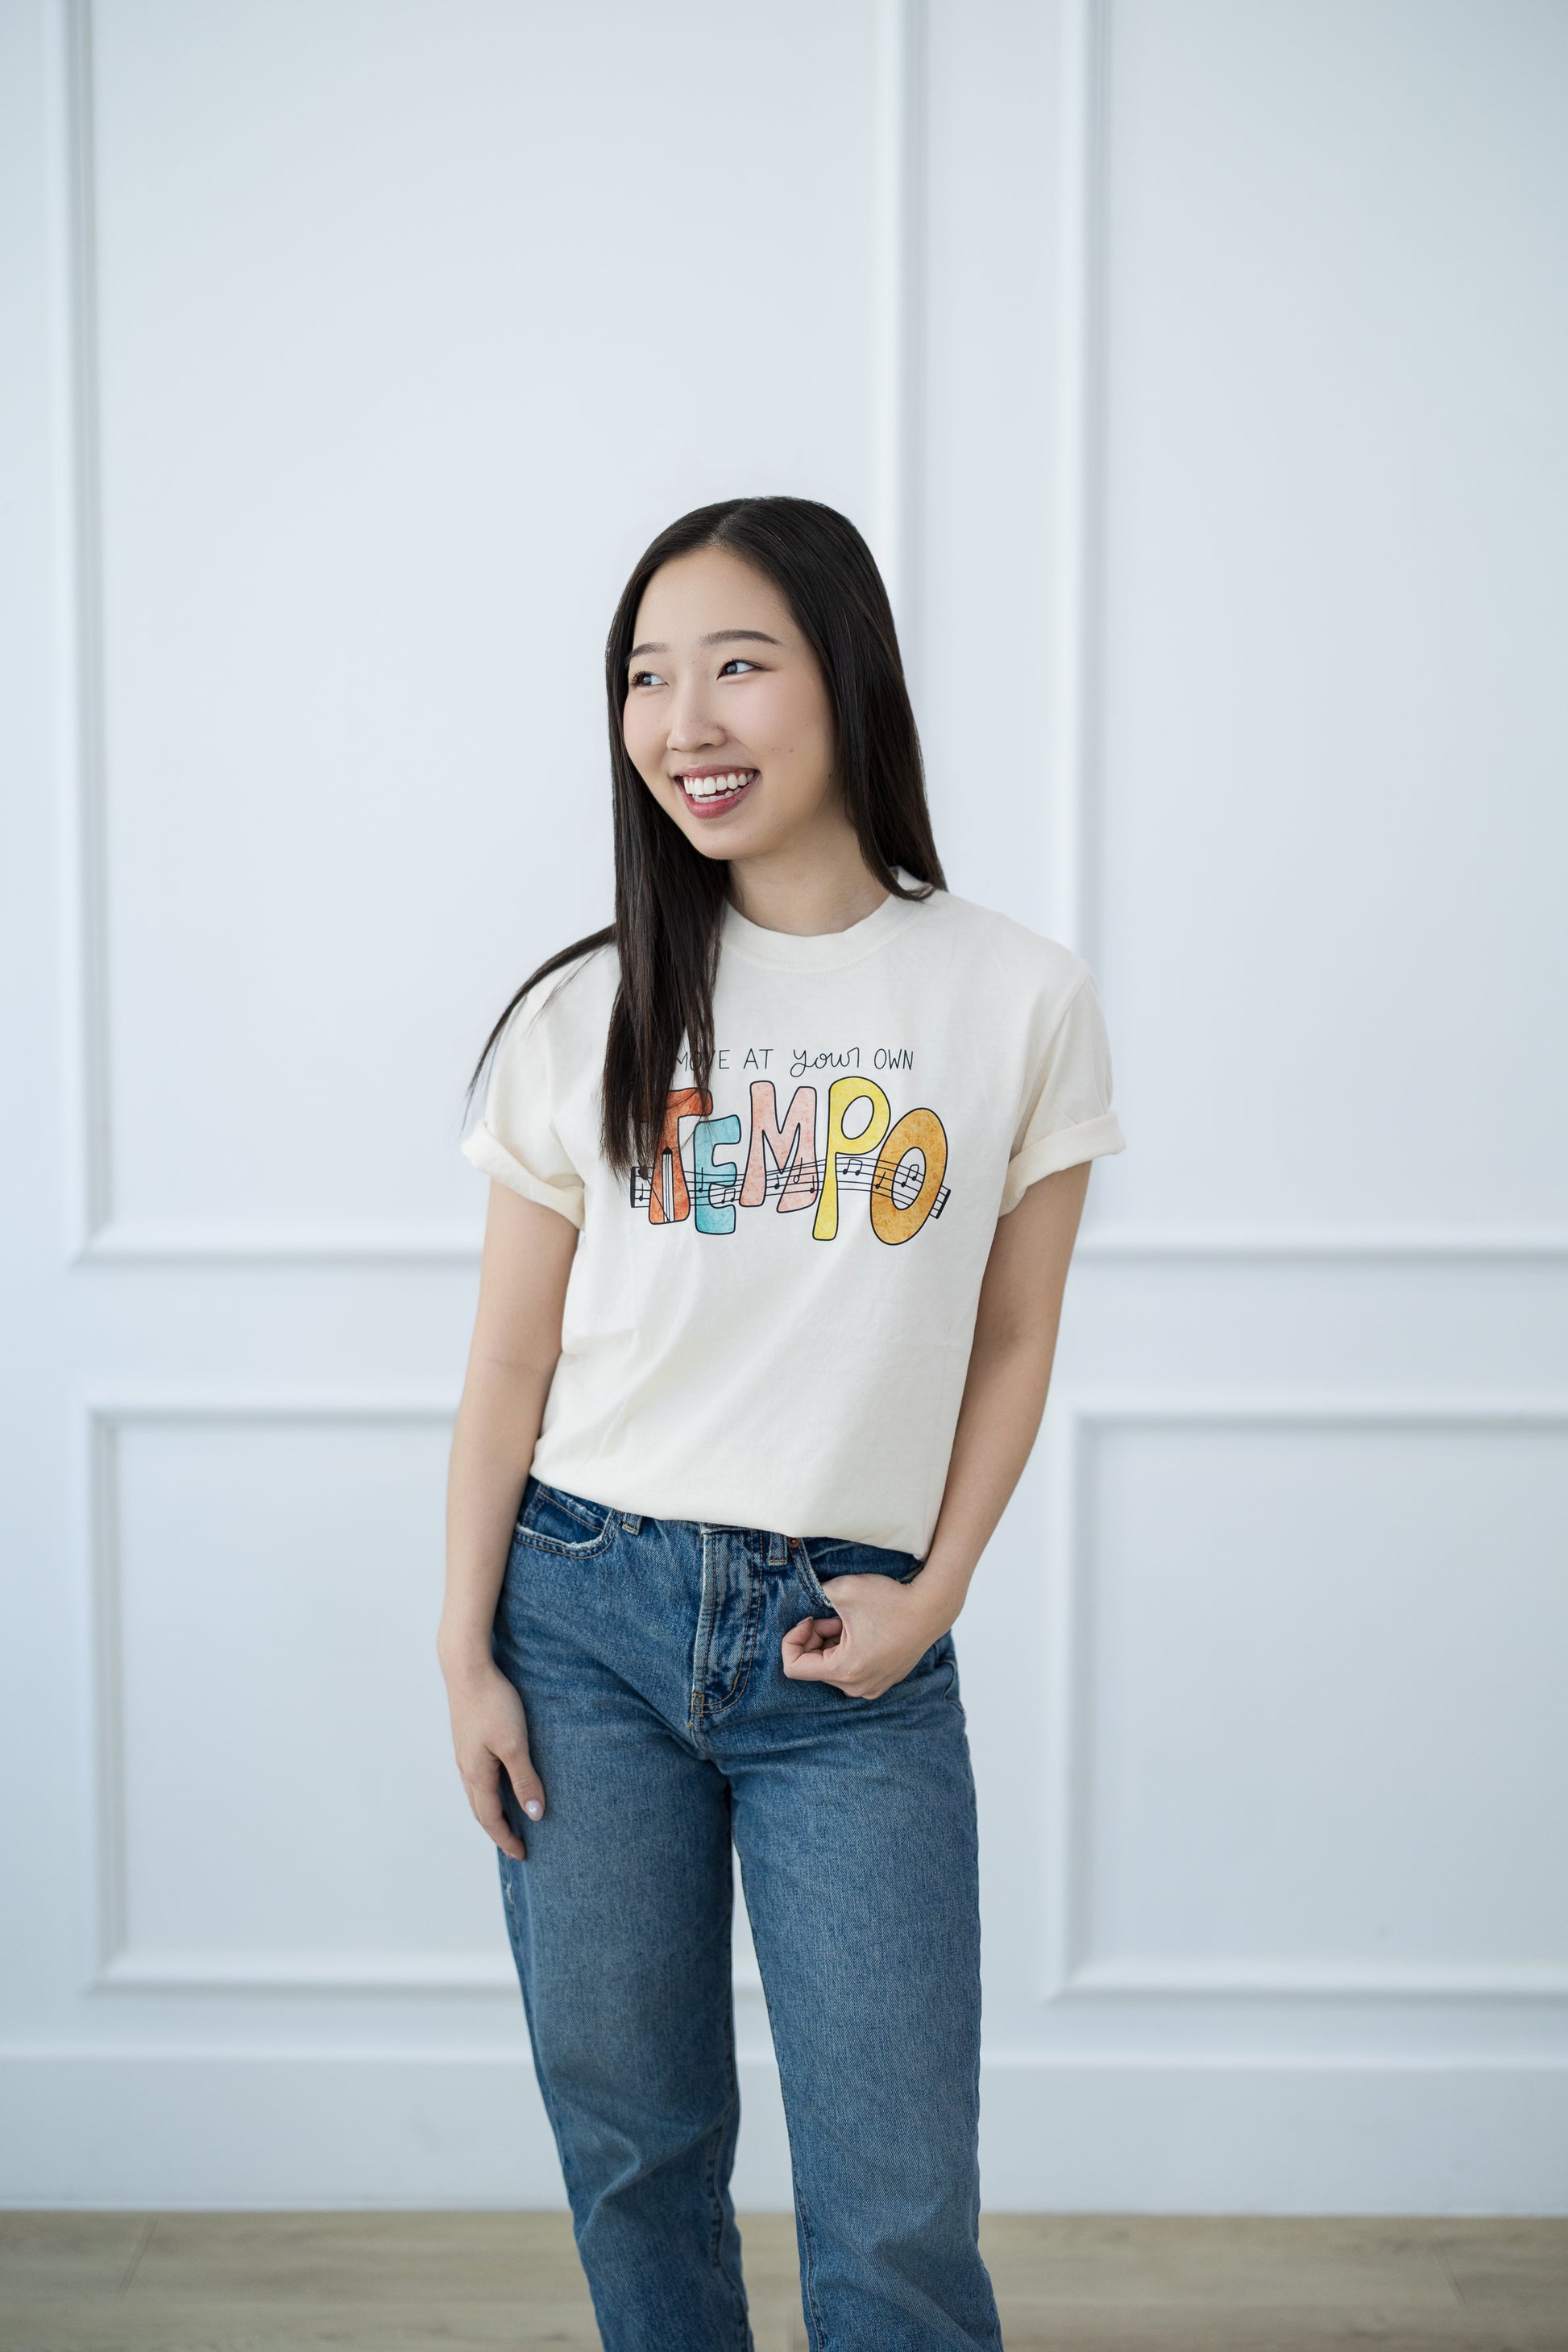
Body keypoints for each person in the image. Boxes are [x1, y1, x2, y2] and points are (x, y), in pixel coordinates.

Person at [439, 495, 1125, 2352]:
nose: (686, 722)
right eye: (646, 679)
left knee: (896, 2207)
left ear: (847, 677)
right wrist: (461, 1652)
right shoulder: (585, 1008)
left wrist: (939, 1585)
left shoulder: (1014, 995)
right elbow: (505, 1370)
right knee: (637, 2151)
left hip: (853, 1643)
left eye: (737, 663)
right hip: (577, 1621)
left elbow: (1010, 1333)